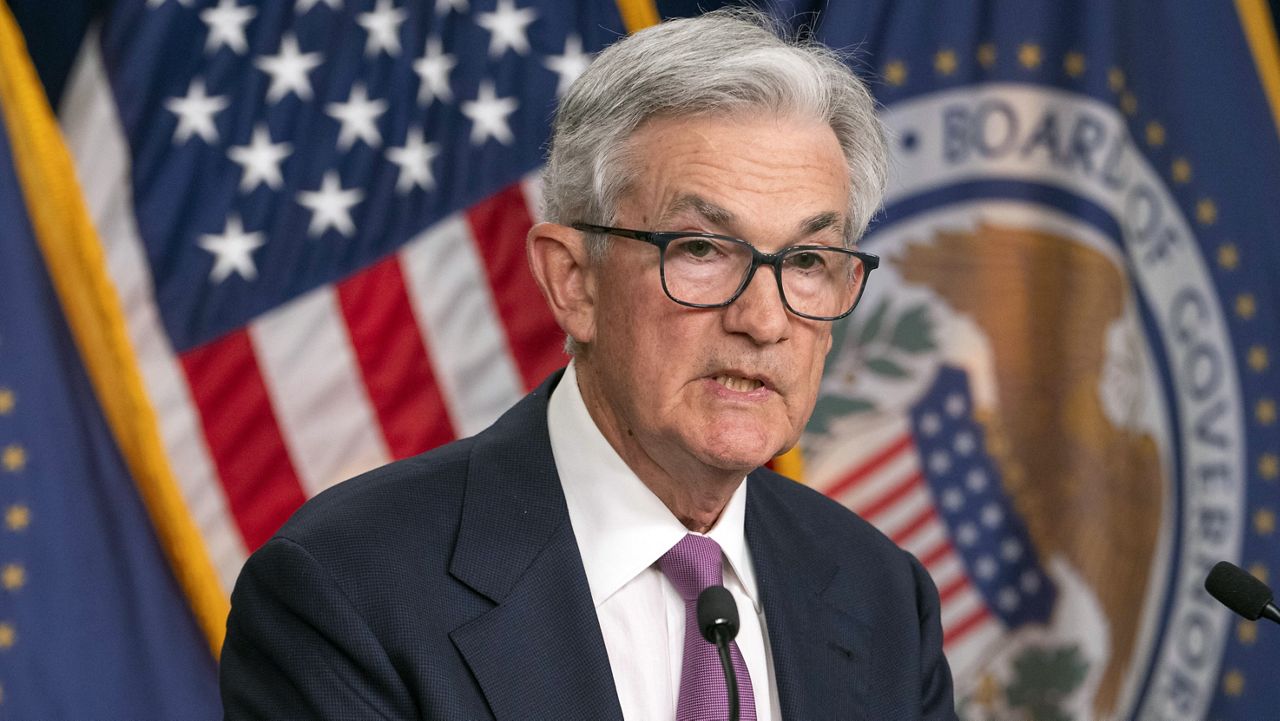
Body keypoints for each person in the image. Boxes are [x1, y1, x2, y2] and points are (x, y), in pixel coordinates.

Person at [220, 9, 956, 720]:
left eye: (806, 261)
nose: (764, 320)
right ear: (573, 280)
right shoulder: (347, 591)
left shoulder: (882, 595)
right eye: (700, 249)